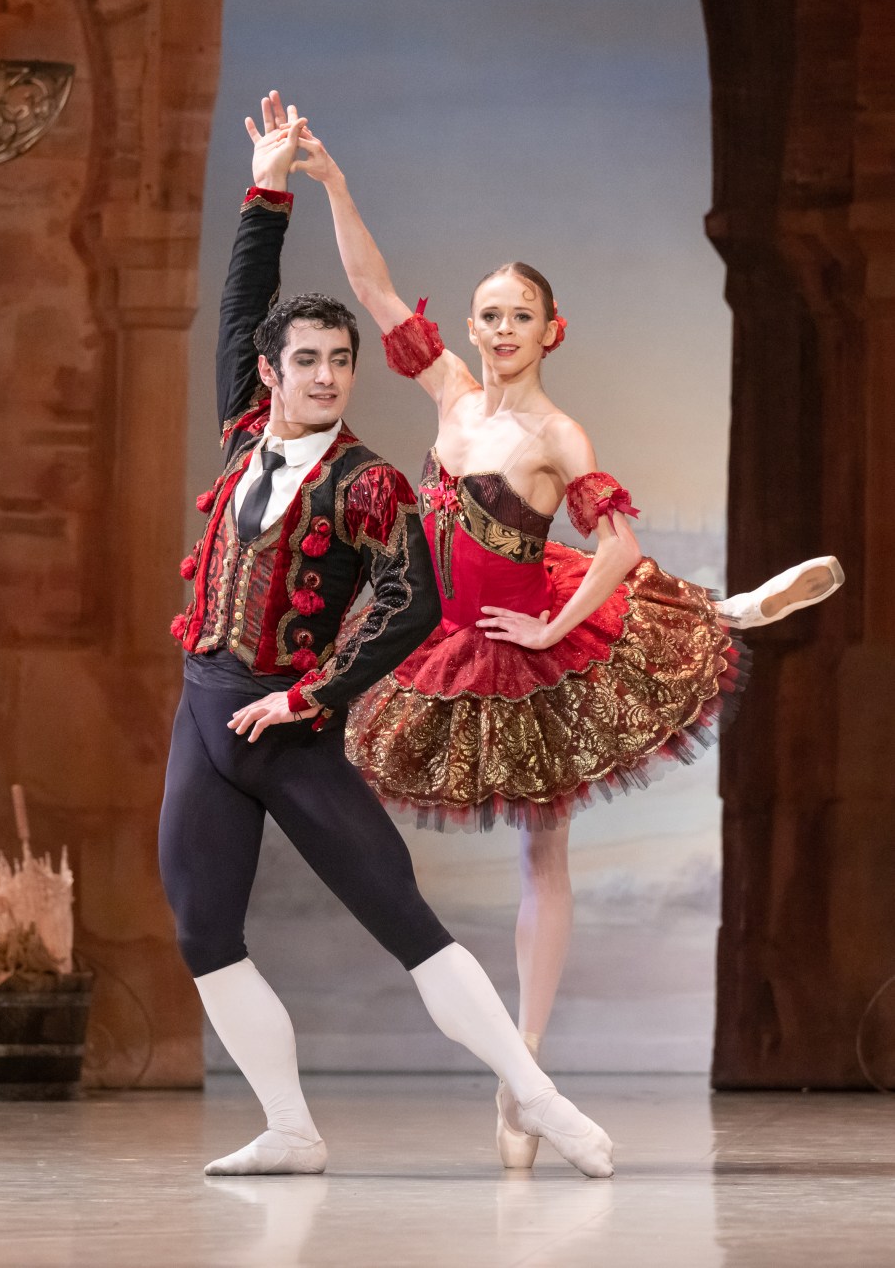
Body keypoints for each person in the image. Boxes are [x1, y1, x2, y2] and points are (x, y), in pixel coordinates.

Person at [284, 115, 845, 1168]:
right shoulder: (451, 395)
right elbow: (373, 290)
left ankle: (525, 1072)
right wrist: (334, 185)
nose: (502, 330)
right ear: (473, 325)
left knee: (545, 849)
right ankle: (720, 607)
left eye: (521, 317)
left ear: (553, 331)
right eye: (490, 315)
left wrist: (550, 622)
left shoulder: (556, 435)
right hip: (440, 634)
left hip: (524, 637)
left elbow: (618, 544)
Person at [158, 92, 614, 1180]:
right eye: (308, 360)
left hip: (290, 730)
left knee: (404, 918)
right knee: (202, 931)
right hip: (204, 716)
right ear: (270, 372)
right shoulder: (242, 434)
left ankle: (540, 1099)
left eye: (340, 361)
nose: (326, 376)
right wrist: (270, 187)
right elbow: (241, 305)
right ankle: (290, 1127)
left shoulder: (368, 483)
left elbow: (408, 605)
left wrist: (309, 696)